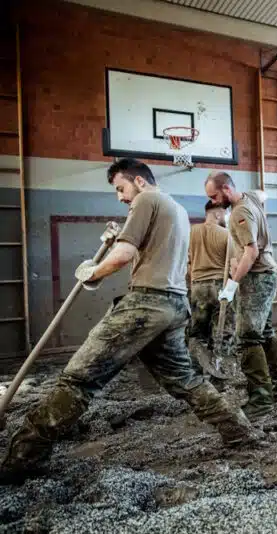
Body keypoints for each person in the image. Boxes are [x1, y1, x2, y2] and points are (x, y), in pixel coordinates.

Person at [1, 158, 258, 483]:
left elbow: (122, 255)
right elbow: (143, 253)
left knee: (78, 379)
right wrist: (116, 243)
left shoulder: (146, 199)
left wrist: (92, 272)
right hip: (175, 305)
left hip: (144, 305)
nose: (120, 196)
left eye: (121, 188)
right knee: (187, 382)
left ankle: (21, 460)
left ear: (138, 181)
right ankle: (240, 433)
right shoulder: (176, 209)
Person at [205, 172, 277, 422]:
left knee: (247, 337)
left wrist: (233, 283)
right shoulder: (251, 199)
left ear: (226, 188)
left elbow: (252, 251)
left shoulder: (238, 213)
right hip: (266, 276)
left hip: (256, 278)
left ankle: (261, 401)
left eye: (215, 196)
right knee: (264, 333)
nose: (214, 202)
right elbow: (262, 194)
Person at [187, 201, 236, 376]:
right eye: (225, 213)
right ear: (217, 214)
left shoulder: (190, 232)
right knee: (222, 333)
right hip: (219, 287)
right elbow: (233, 266)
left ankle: (196, 374)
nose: (226, 217)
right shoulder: (227, 235)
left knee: (197, 334)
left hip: (197, 287)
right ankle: (218, 373)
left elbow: (186, 263)